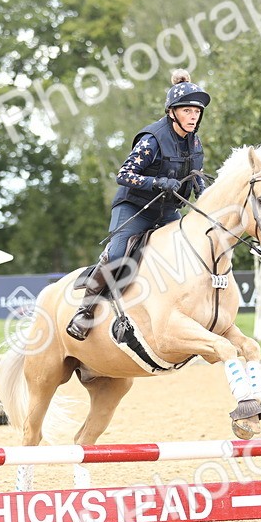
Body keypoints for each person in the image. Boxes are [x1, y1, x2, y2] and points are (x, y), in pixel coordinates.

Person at [65, 68, 211, 341]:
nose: (194, 116)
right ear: (172, 112)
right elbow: (124, 174)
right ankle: (85, 311)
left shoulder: (195, 142)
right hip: (135, 208)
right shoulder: (152, 139)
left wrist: (206, 198)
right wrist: (157, 183)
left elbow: (197, 177)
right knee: (118, 254)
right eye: (188, 111)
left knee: (191, 249)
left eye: (197, 112)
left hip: (167, 212)